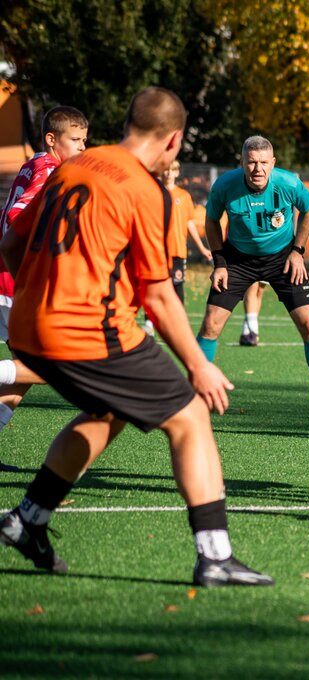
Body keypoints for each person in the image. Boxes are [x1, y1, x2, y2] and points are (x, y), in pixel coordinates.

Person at [0, 87, 273, 587]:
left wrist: (36, 299)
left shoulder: (72, 167)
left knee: (110, 411)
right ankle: (215, 555)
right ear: (174, 140)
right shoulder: (147, 192)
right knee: (190, 416)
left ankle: (28, 520)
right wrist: (199, 365)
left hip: (27, 323)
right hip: (86, 329)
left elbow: (13, 241)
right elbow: (160, 297)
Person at [195, 135, 309, 420]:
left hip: (283, 258)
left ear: (273, 163)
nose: (258, 169)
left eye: (264, 162)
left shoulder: (288, 183)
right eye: (251, 162)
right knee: (211, 323)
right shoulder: (225, 186)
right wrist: (220, 263)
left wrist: (298, 251)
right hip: (237, 259)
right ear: (241, 163)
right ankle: (195, 398)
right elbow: (211, 220)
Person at [0, 105, 89, 472]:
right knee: (51, 367)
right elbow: (16, 217)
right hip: (15, 284)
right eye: (76, 140)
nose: (83, 147)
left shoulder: (36, 164)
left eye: (84, 140)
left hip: (10, 281)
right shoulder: (52, 171)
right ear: (52, 139)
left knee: (25, 373)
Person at [143, 159, 212, 336]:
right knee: (153, 285)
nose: (168, 173)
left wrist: (202, 248)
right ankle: (149, 322)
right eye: (165, 170)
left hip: (177, 250)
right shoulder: (153, 193)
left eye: (172, 170)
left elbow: (189, 223)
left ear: (177, 172)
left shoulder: (184, 196)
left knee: (177, 287)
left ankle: (177, 322)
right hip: (156, 251)